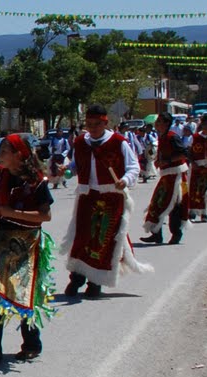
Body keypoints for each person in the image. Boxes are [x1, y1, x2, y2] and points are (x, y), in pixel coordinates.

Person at [0, 134, 55, 364]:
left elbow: (45, 216)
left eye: (4, 151)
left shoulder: (36, 181)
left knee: (24, 292)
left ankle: (31, 343)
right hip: (3, 237)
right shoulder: (0, 175)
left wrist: (12, 214)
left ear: (19, 155)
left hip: (26, 240)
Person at [62, 105, 150, 298]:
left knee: (102, 239)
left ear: (105, 123)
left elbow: (133, 166)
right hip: (87, 197)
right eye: (89, 124)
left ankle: (95, 282)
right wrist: (67, 171)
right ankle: (76, 278)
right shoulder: (80, 143)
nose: (92, 128)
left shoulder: (118, 142)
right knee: (82, 237)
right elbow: (76, 165)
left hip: (110, 197)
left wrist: (124, 180)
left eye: (96, 124)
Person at [139, 112, 190, 246]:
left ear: (166, 124)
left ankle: (176, 234)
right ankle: (156, 234)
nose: (156, 124)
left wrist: (167, 161)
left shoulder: (173, 137)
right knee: (157, 203)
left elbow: (184, 153)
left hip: (176, 176)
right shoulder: (161, 137)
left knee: (174, 205)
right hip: (166, 176)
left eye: (159, 122)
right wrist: (158, 161)